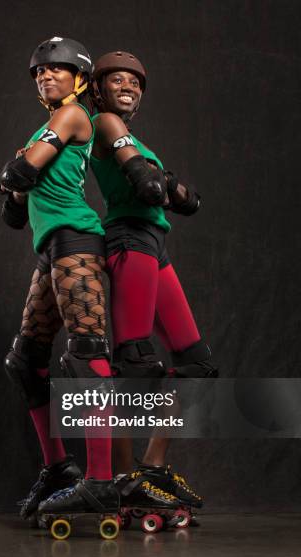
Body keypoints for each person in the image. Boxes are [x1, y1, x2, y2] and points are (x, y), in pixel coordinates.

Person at [90, 51, 218, 508]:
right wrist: (164, 182)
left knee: (196, 363)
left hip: (154, 246)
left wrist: (163, 183)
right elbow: (154, 189)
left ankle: (153, 468)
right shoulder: (104, 123)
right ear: (100, 89)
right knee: (133, 368)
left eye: (135, 83)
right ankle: (123, 480)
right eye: (118, 80)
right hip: (129, 241)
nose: (128, 87)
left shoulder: (134, 138)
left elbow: (190, 202)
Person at [0, 38, 119, 522]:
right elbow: (14, 208)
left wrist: (19, 172)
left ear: (80, 79)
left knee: (88, 356)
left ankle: (103, 483)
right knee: (26, 362)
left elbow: (18, 173)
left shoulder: (71, 117)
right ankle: (58, 469)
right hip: (51, 251)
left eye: (56, 69)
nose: (45, 76)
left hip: (76, 243)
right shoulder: (46, 124)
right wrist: (17, 179)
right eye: (39, 72)